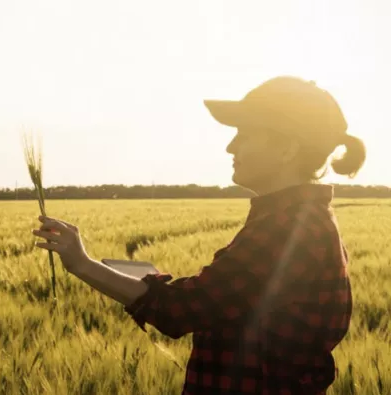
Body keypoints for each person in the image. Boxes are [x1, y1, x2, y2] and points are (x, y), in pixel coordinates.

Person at [32, 76, 366, 394]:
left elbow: (182, 310)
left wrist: (82, 265)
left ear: (287, 149)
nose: (230, 147)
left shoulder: (286, 229)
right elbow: (219, 299)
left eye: (245, 134)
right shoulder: (294, 220)